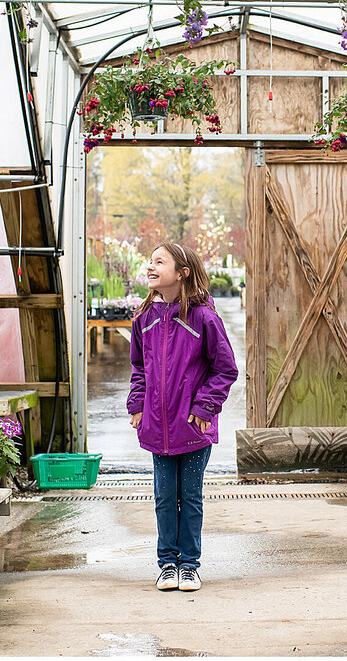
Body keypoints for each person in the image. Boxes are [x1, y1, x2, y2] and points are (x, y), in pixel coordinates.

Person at [128, 242, 238, 592]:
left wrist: (205, 407)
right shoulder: (143, 320)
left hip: (192, 427)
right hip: (158, 427)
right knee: (164, 497)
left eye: (159, 261)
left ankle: (189, 565)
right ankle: (167, 564)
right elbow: (138, 368)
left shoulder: (203, 318)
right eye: (150, 260)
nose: (150, 266)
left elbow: (225, 369)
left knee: (189, 496)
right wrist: (137, 404)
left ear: (182, 272)